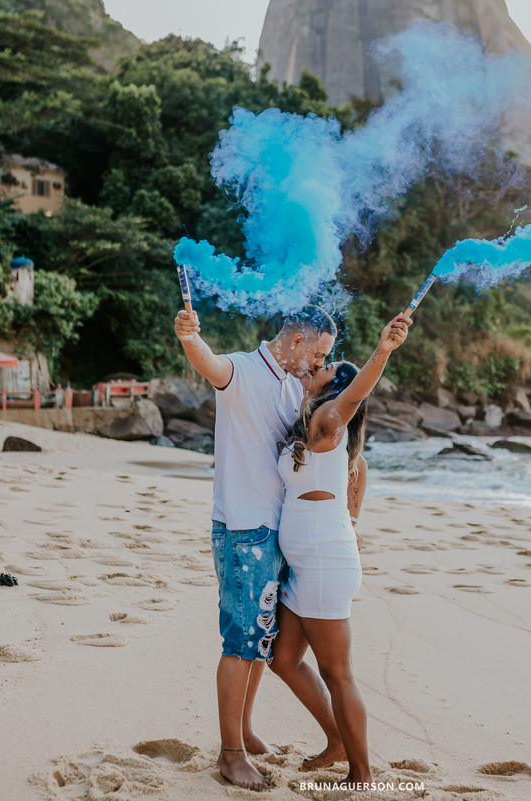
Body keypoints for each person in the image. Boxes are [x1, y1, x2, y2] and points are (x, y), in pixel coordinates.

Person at [173, 304, 336, 792]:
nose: (319, 362)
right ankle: (230, 754)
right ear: (297, 341)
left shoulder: (291, 384)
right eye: (320, 353)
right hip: (244, 531)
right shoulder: (243, 370)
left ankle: (243, 731)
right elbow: (209, 363)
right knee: (241, 644)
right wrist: (189, 338)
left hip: (273, 532)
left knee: (260, 642)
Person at [268, 313, 411, 786]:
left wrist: (383, 351)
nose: (317, 365)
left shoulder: (330, 420)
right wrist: (352, 520)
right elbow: (353, 474)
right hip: (303, 566)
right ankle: (335, 741)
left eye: (327, 367)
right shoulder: (303, 422)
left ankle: (362, 773)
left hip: (326, 567)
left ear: (337, 390)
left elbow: (359, 389)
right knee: (282, 660)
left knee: (338, 674)